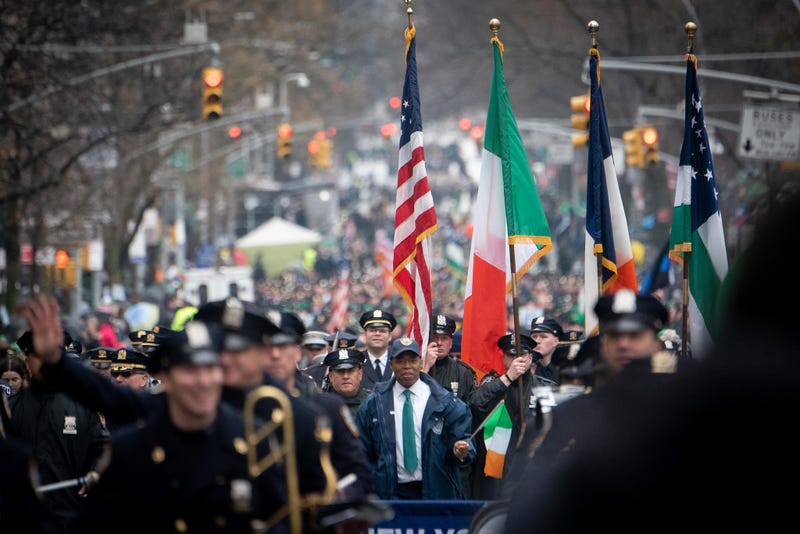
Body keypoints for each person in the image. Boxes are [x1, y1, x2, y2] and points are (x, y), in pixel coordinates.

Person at [70, 320, 289, 533]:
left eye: (211, 368)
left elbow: (278, 520)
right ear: (165, 377)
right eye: (190, 370)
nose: (203, 381)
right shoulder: (130, 451)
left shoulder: (254, 440)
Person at [504, 289, 679, 532]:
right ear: (603, 343)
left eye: (635, 335)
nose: (624, 343)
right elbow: (525, 506)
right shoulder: (560, 419)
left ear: (656, 344)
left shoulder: (686, 411)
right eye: (614, 334)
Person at [9, 321, 110, 534]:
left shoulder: (84, 404)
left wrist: (94, 474)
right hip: (22, 518)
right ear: (27, 360)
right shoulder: (10, 407)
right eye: (40, 355)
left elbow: (104, 449)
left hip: (70, 516)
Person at [356, 337, 475, 500]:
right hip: (389, 495)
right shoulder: (374, 403)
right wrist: (374, 482)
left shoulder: (446, 402)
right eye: (400, 361)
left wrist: (459, 451)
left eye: (412, 360)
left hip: (436, 494)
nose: (406, 366)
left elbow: (465, 442)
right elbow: (361, 451)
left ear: (420, 362)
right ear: (391, 364)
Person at [466, 332, 552, 500]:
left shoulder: (543, 388)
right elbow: (474, 404)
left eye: (521, 355)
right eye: (511, 355)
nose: (516, 360)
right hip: (494, 471)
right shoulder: (492, 384)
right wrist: (508, 378)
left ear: (529, 357)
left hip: (528, 470)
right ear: (503, 357)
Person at [424, 314, 477, 402]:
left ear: (451, 343)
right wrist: (426, 367)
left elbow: (472, 407)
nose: (439, 342)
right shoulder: (417, 367)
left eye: (444, 338)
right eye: (435, 337)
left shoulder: (463, 372)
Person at [322, 347, 371, 417]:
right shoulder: (320, 403)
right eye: (340, 371)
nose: (346, 376)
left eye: (350, 371)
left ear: (360, 374)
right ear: (331, 376)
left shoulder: (373, 401)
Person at [358, 310, 396, 390]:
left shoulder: (398, 360)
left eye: (382, 331)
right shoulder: (356, 361)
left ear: (389, 336)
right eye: (372, 330)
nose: (377, 334)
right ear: (365, 334)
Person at [528, 315, 564, 385]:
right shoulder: (525, 368)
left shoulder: (563, 369)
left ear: (555, 341)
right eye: (534, 336)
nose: (537, 341)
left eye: (543, 336)